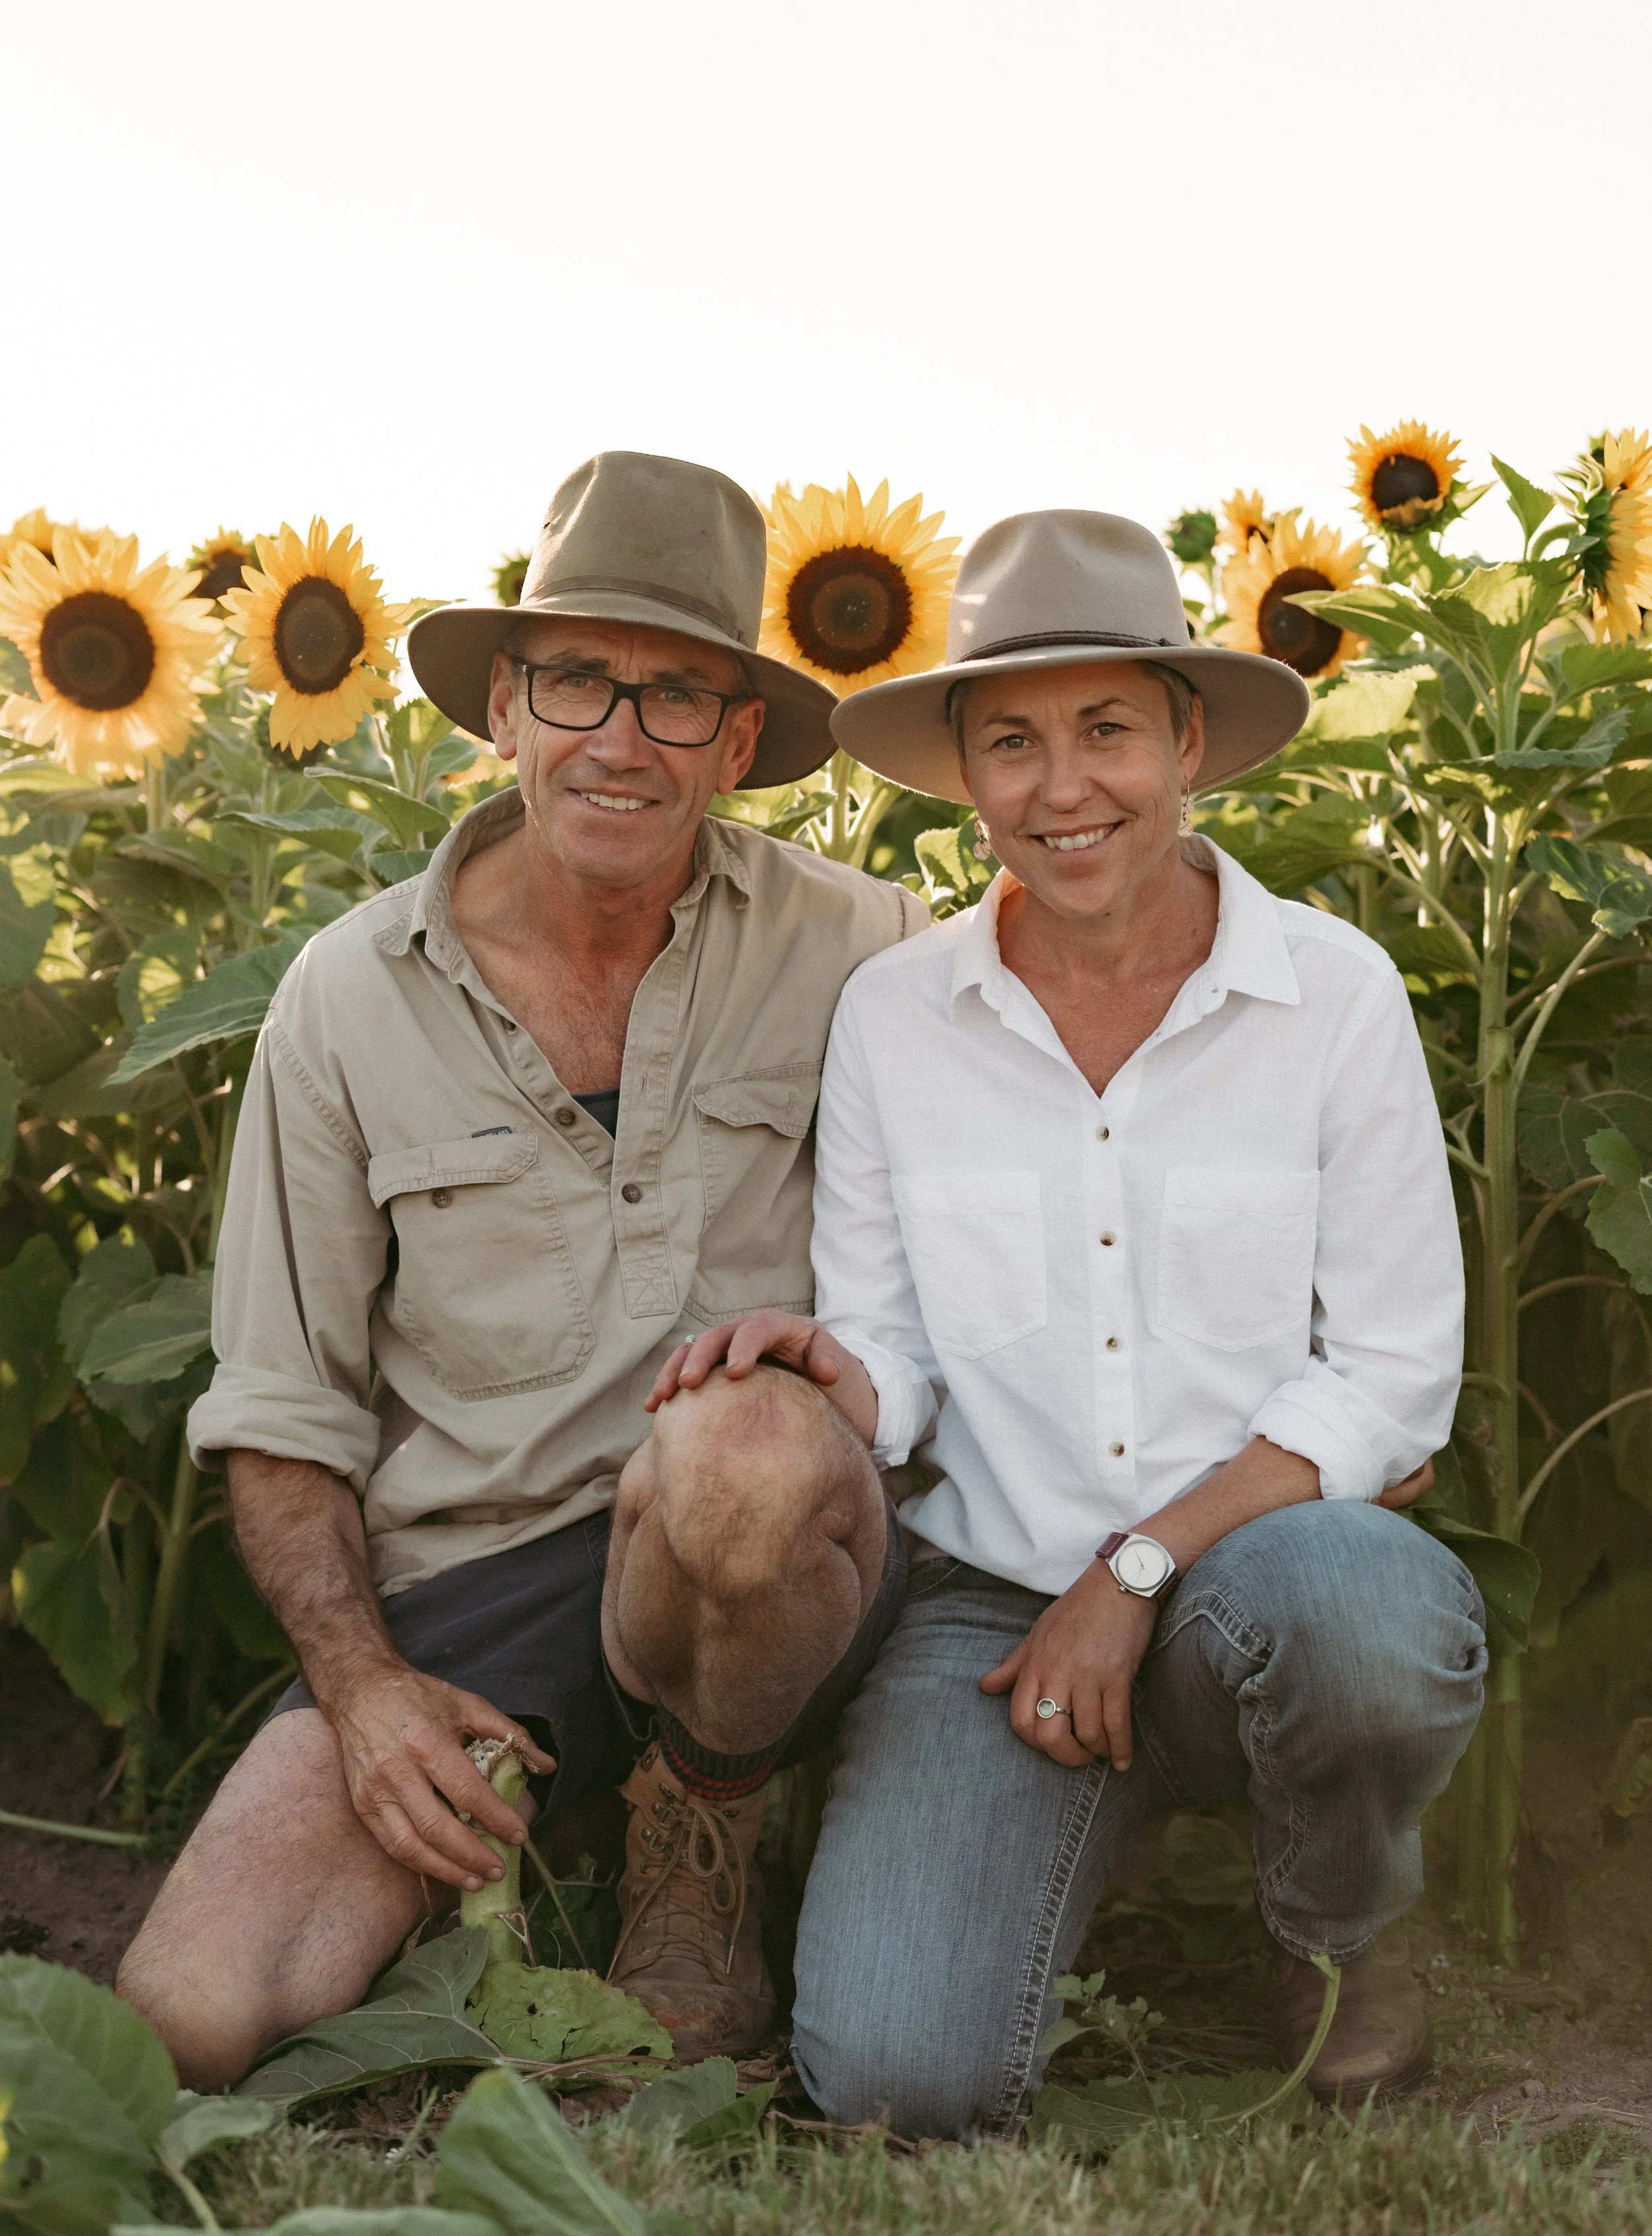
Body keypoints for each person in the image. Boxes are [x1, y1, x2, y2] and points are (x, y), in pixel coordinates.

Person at [648, 508, 1485, 2140]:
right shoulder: (897, 1016)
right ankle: (1059, 1857)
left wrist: (1140, 1565)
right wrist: (833, 1378)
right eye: (1011, 741)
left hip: (1262, 1573)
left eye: (1106, 729)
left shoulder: (1334, 995)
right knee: (896, 2080)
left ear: (1188, 740)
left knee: (1368, 1619)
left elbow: (1390, 1378)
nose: (1062, 787)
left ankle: (1335, 1930)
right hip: (994, 1619)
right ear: (964, 770)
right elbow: (892, 1353)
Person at [116, 452, 927, 2090]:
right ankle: (544, 1818)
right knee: (197, 2008)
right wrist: (363, 1692)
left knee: (744, 1449)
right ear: (505, 702)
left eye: (680, 696)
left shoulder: (872, 949)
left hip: (768, 1548)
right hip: (474, 1594)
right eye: (575, 681)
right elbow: (282, 1413)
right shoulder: (347, 1000)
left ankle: (706, 1837)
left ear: (743, 737)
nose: (620, 738)